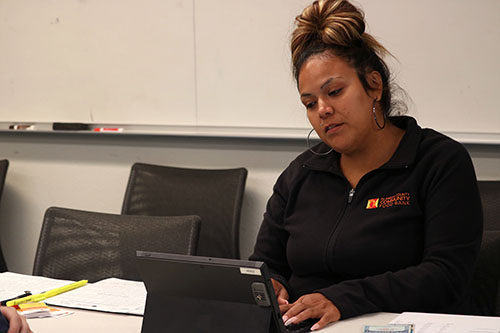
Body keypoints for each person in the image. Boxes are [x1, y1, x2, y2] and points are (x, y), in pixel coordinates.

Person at [249, 0, 483, 331]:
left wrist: (343, 299)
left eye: (334, 92)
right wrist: (270, 285)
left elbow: (446, 274)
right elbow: (265, 263)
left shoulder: (439, 162)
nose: (323, 110)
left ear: (374, 85)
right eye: (310, 103)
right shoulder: (300, 174)